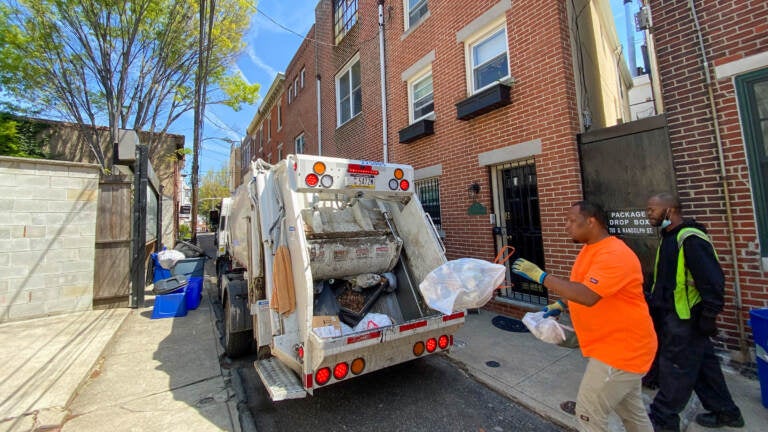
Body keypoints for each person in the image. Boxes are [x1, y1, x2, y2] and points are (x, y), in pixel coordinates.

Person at [513, 201, 657, 432]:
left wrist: (541, 277)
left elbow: (589, 295)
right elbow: (587, 287)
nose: (566, 226)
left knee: (588, 414)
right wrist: (562, 304)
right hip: (614, 347)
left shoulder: (614, 254)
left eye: (571, 220)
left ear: (591, 221)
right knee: (632, 414)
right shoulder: (591, 250)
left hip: (619, 351)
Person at [644, 193, 744, 431]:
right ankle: (726, 411)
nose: (648, 214)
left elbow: (713, 280)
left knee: (675, 369)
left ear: (670, 211)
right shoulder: (669, 237)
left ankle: (663, 419)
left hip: (686, 318)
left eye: (652, 210)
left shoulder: (690, 239)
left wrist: (710, 315)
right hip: (674, 315)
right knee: (704, 367)